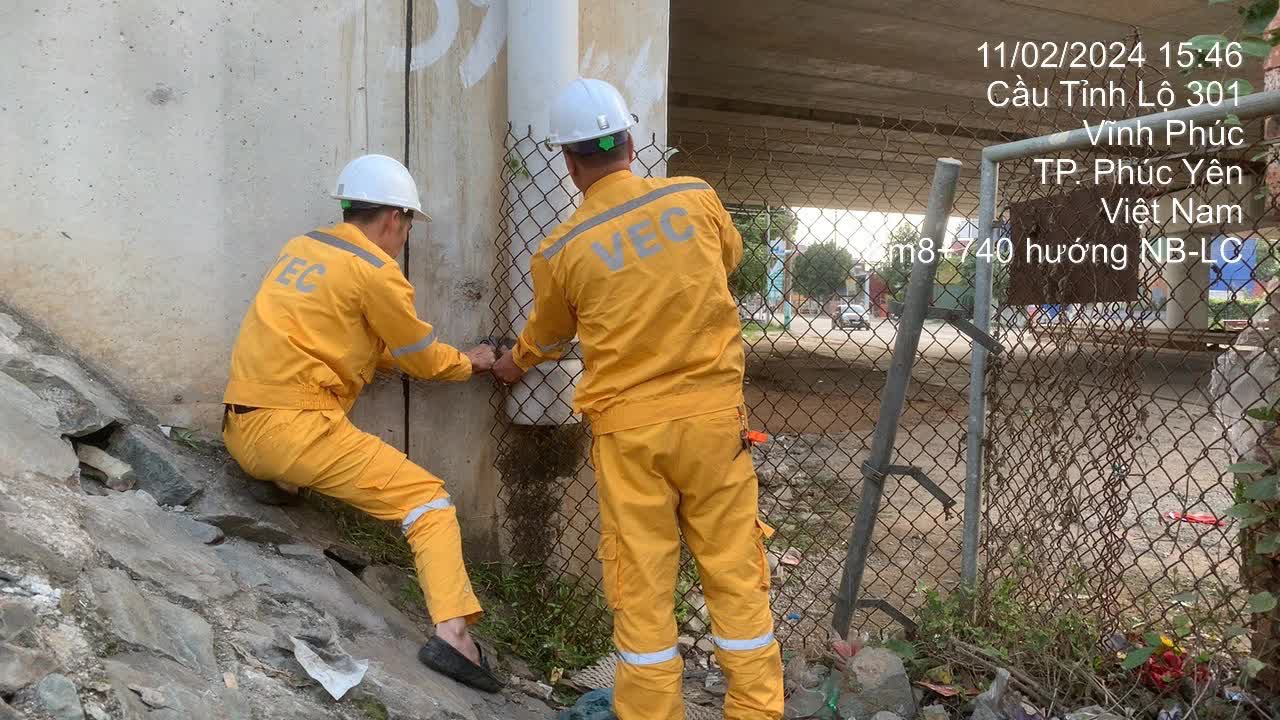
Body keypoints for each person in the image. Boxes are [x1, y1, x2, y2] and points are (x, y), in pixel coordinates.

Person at [492, 78, 784, 719]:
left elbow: (548, 331)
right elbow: (726, 259)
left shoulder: (562, 247)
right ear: (631, 141)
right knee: (735, 572)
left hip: (630, 437)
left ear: (570, 165)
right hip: (714, 426)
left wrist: (514, 363)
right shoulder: (694, 197)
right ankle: (757, 711)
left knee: (643, 585)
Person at [221, 154, 502, 692]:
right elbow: (419, 356)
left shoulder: (303, 247)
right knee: (429, 502)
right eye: (410, 224)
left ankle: (277, 480)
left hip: (241, 424)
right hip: (295, 430)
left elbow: (359, 343)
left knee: (300, 451)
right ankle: (454, 636)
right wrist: (473, 362)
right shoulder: (377, 273)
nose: (405, 236)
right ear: (395, 218)